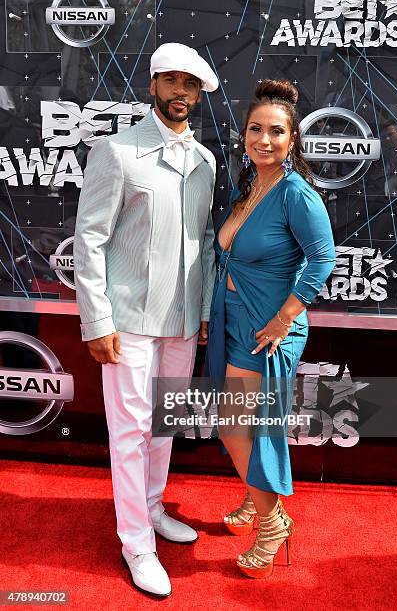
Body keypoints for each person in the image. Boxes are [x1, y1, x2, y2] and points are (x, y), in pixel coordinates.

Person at [73, 43, 218, 597]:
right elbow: (89, 241)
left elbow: (203, 243)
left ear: (200, 93)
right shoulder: (118, 151)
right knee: (130, 432)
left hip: (180, 320)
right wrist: (95, 321)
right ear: (153, 85)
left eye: (191, 84)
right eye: (171, 81)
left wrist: (202, 313)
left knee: (162, 426)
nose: (181, 92)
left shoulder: (204, 161)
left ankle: (153, 510)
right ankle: (135, 542)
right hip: (128, 320)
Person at [205, 79, 336, 579]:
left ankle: (271, 522)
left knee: (237, 426)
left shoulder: (296, 194)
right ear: (244, 135)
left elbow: (323, 258)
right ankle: (255, 495)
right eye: (255, 129)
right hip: (234, 318)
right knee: (239, 423)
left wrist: (284, 318)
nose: (264, 139)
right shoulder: (249, 185)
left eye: (275, 131)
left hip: (269, 326)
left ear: (292, 140)